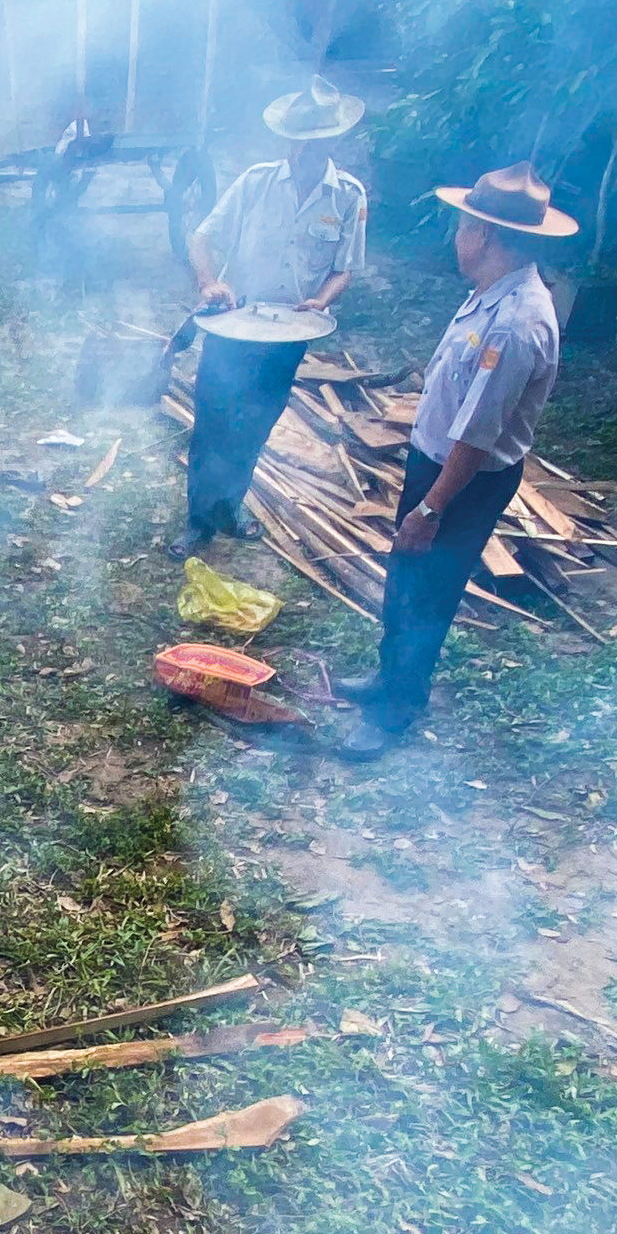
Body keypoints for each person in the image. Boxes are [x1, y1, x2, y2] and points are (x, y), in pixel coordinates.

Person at [334, 161, 577, 760]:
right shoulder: (490, 294)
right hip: (440, 470)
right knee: (407, 583)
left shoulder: (516, 322)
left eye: (463, 225)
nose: (456, 235)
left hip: (461, 483)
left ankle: (396, 710)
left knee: (428, 594)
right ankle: (389, 682)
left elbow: (477, 434)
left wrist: (432, 507)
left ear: (485, 236)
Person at [172, 75, 370, 558]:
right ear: (287, 138)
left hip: (289, 334)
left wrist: (322, 300)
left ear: (333, 139)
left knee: (256, 423)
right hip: (235, 323)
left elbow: (345, 268)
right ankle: (199, 520)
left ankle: (231, 505)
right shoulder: (256, 181)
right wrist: (208, 282)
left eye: (317, 141)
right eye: (298, 141)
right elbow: (202, 236)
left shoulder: (347, 196)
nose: (305, 150)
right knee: (214, 422)